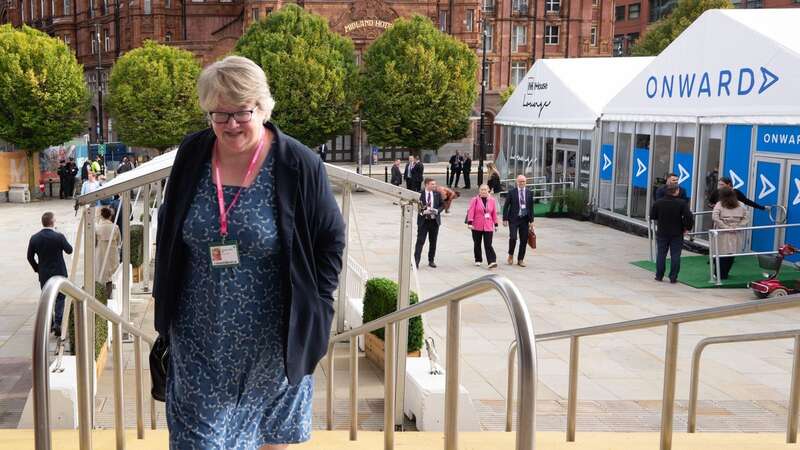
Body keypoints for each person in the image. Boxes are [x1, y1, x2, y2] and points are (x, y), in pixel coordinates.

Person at [152, 55, 345, 450]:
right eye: (218, 114)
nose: (230, 124)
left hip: (274, 345)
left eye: (241, 112)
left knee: (271, 440)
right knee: (197, 442)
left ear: (263, 106)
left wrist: (318, 304)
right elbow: (171, 226)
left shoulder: (298, 164)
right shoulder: (193, 154)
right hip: (199, 340)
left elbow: (331, 240)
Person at [27, 212, 73, 336]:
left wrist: (37, 268)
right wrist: (61, 236)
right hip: (59, 272)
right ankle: (58, 323)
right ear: (53, 222)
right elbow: (69, 250)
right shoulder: (59, 237)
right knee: (60, 298)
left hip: (44, 273)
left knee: (47, 299)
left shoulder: (34, 238)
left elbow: (29, 257)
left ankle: (49, 324)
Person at [650, 185, 694, 283]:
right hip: (677, 232)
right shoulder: (682, 203)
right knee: (675, 255)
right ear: (677, 192)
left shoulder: (658, 202)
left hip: (662, 231)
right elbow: (689, 217)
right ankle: (673, 277)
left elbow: (653, 215)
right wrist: (687, 227)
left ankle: (659, 275)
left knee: (661, 254)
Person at [712, 187, 748, 280]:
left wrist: (725, 227)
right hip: (736, 232)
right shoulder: (741, 204)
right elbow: (746, 217)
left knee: (721, 253)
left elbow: (715, 217)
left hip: (723, 232)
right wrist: (738, 226)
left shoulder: (719, 204)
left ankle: (719, 274)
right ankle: (725, 273)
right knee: (731, 253)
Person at [502, 175, 534, 267]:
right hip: (513, 219)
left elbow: (531, 208)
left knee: (523, 240)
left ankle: (520, 259)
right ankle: (511, 255)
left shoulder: (529, 193)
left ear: (526, 182)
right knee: (513, 237)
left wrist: (532, 221)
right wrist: (505, 219)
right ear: (517, 182)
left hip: (525, 219)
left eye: (523, 181)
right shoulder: (512, 192)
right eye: (520, 181)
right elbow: (506, 206)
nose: (522, 183)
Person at [466, 184, 499, 268]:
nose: (483, 191)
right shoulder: (475, 200)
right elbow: (471, 211)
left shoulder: (492, 200)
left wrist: (496, 224)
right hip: (477, 225)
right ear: (479, 191)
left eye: (485, 189)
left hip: (488, 225)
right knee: (477, 243)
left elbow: (494, 213)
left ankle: (492, 261)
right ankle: (478, 259)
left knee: (488, 244)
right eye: (482, 190)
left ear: (488, 190)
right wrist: (470, 223)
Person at [414, 178, 444, 268]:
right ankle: (416, 262)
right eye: (432, 184)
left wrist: (437, 211)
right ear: (426, 185)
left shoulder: (437, 194)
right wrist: (421, 211)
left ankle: (431, 260)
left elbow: (442, 205)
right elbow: (415, 205)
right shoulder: (420, 194)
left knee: (433, 242)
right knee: (420, 241)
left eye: (435, 184)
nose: (434, 186)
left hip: (434, 221)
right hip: (423, 221)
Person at [95, 206, 121, 298]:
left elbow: (94, 243)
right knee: (112, 276)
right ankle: (111, 296)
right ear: (110, 216)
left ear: (101, 216)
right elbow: (119, 242)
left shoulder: (97, 228)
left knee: (101, 274)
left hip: (100, 254)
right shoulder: (115, 227)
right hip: (112, 254)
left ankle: (101, 296)